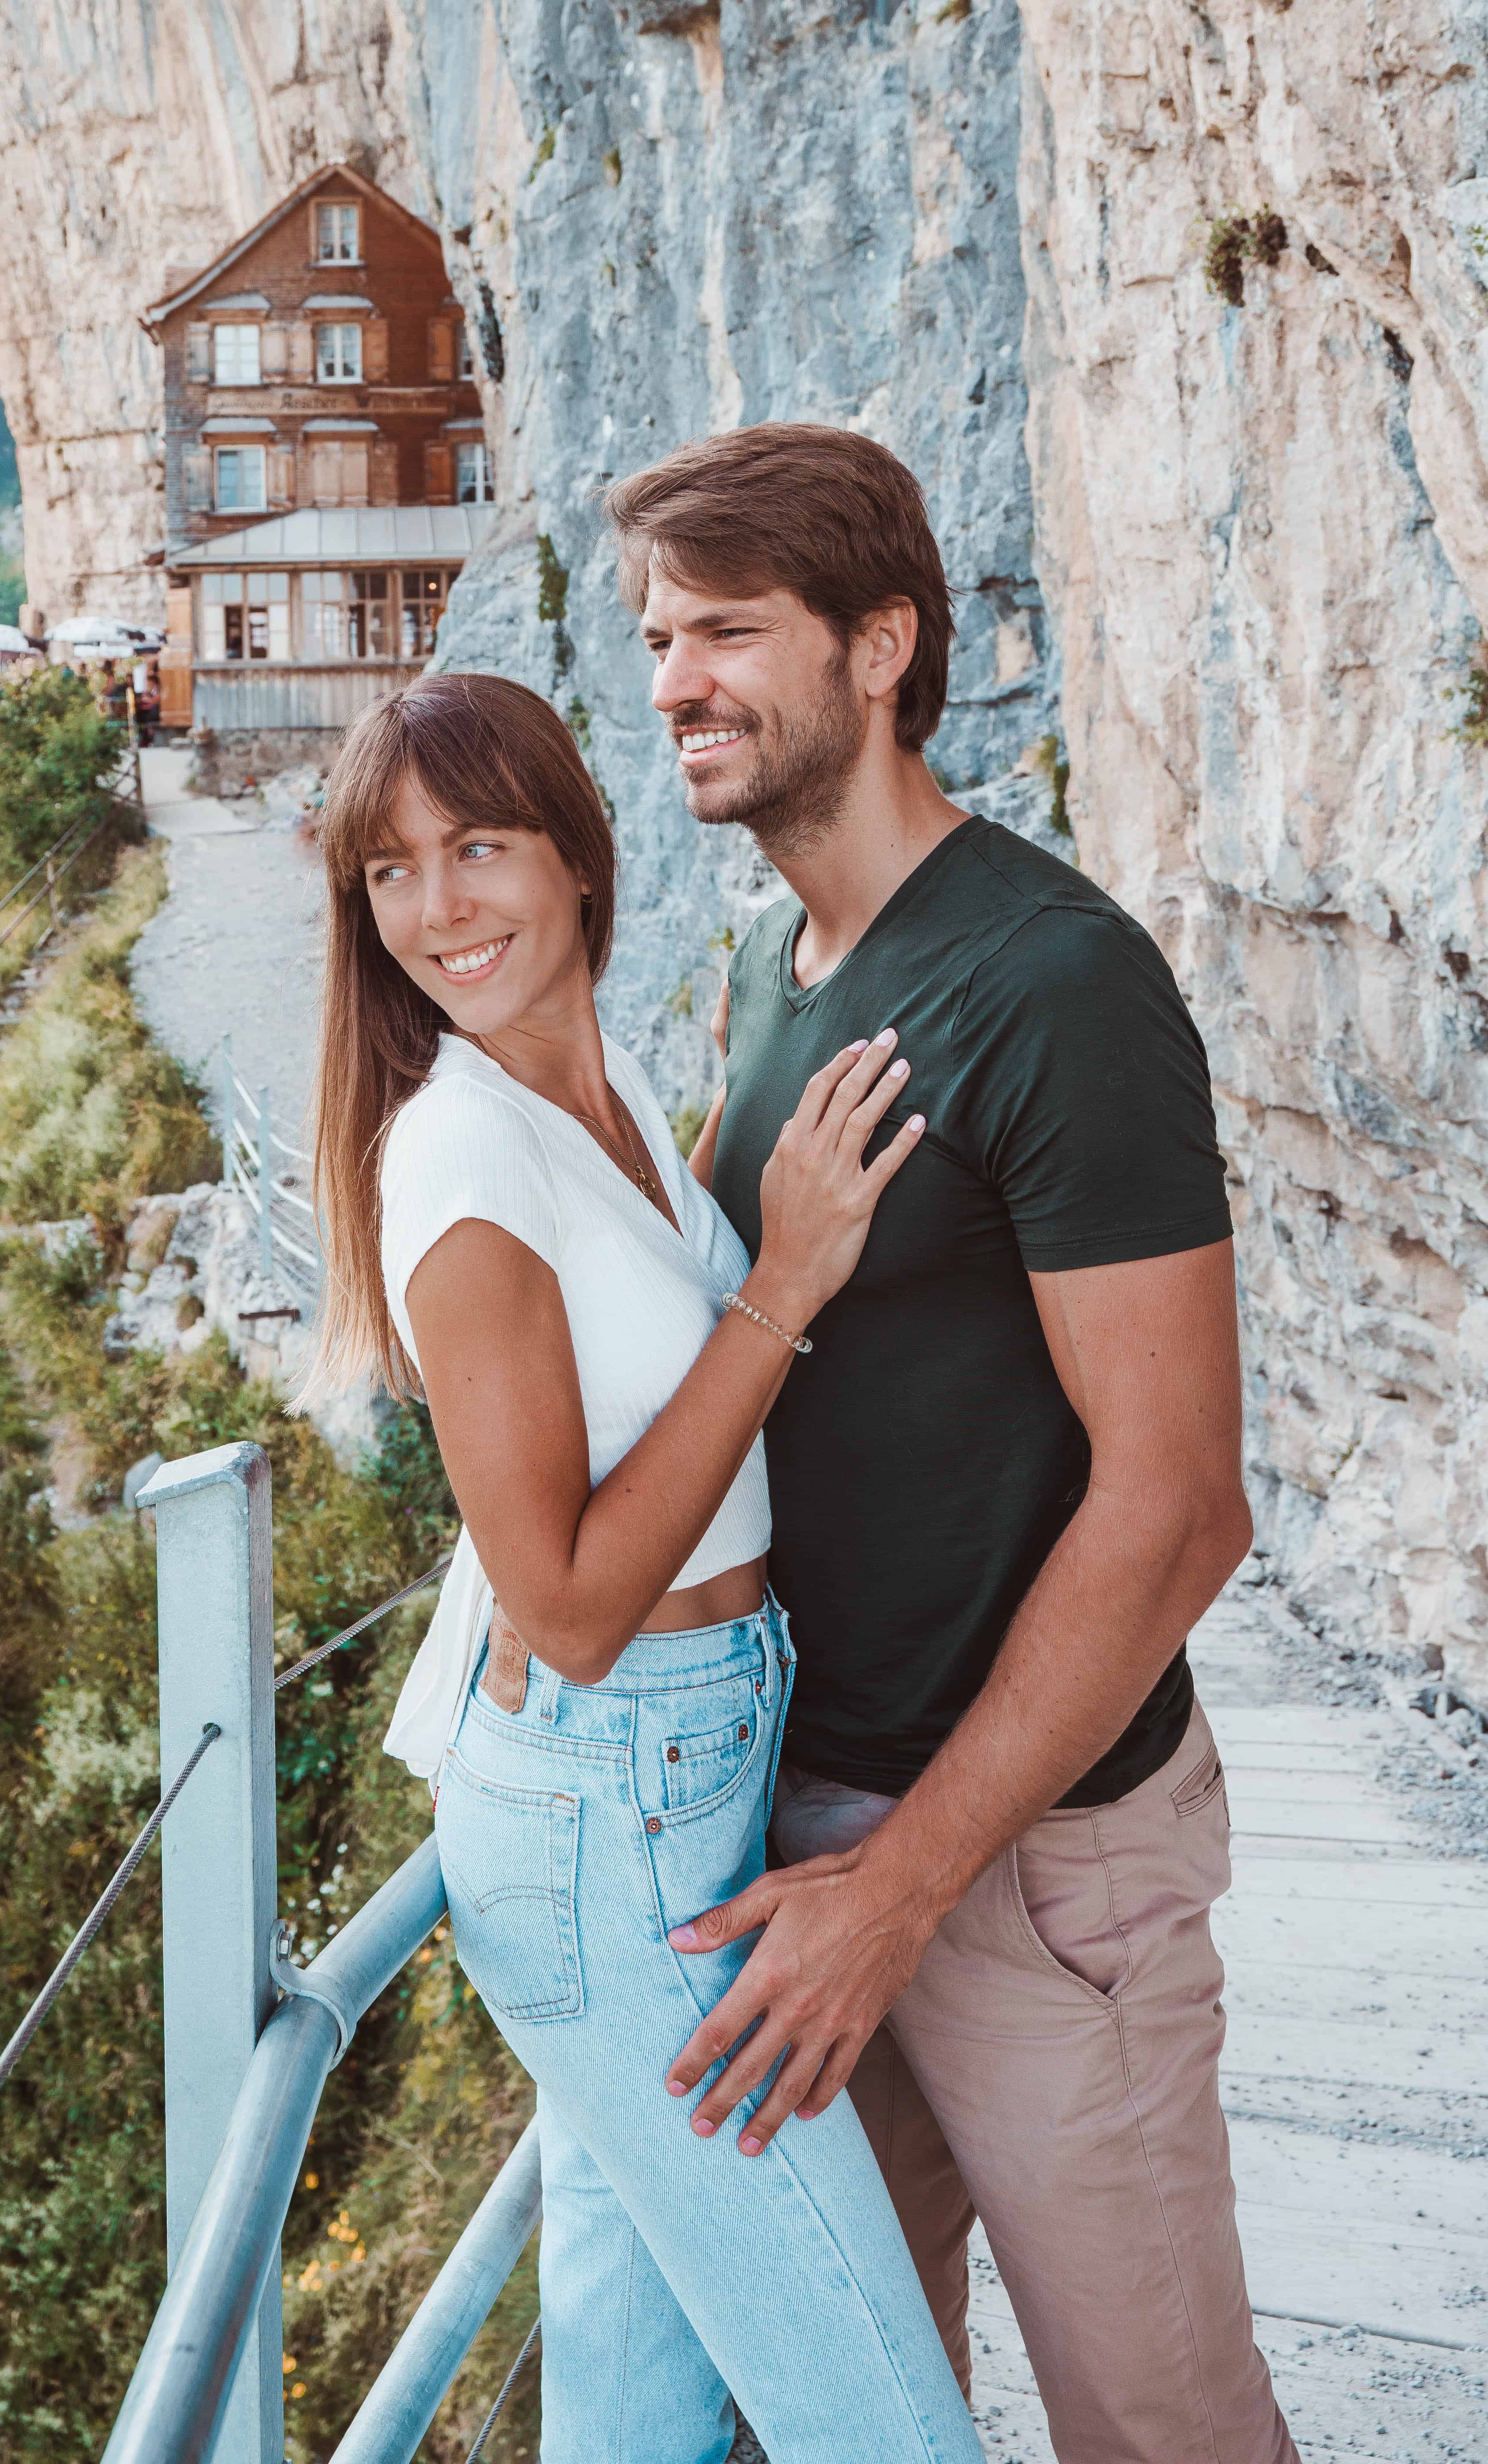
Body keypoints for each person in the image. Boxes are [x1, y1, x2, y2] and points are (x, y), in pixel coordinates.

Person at [604, 422, 1294, 2464]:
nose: (672, 682)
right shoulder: (768, 964)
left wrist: (906, 1882)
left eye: (726, 628)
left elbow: (1179, 1506)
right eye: (655, 636)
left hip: (1033, 1861)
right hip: (796, 1846)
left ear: (882, 643)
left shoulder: (1056, 983)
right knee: (864, 2417)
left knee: (1159, 2427)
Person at [310, 672, 980, 2464]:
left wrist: (750, 1238)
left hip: (685, 1775)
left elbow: (643, 1356)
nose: (440, 904)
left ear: (578, 859)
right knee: (888, 2416)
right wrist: (790, 1280)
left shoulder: (591, 1109)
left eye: (479, 846)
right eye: (390, 872)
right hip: (613, 1810)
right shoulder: (455, 1146)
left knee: (640, 2412)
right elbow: (571, 1603)